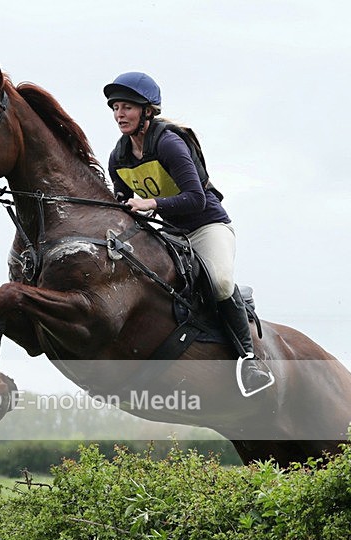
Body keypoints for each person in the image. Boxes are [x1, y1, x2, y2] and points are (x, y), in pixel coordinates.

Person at [103, 71, 274, 397]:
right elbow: (124, 202)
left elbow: (195, 198)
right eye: (115, 107)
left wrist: (151, 202)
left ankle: (250, 361)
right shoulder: (119, 157)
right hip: (171, 233)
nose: (119, 114)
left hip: (207, 226)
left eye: (127, 107)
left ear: (147, 111)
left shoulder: (169, 143)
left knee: (220, 282)